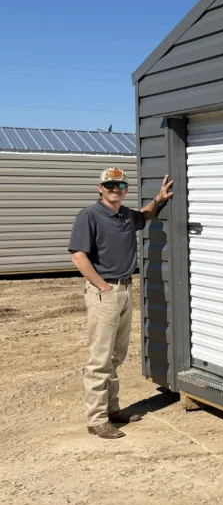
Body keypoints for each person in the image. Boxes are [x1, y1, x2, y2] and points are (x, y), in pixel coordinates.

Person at [68, 168, 174, 439]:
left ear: (126, 190)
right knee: (100, 358)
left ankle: (112, 409)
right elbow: (79, 257)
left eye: (120, 185)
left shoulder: (126, 215)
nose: (115, 189)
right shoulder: (89, 216)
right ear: (100, 188)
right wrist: (102, 286)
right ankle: (96, 420)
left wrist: (159, 199)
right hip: (104, 291)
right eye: (109, 185)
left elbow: (145, 215)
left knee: (116, 356)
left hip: (125, 289)